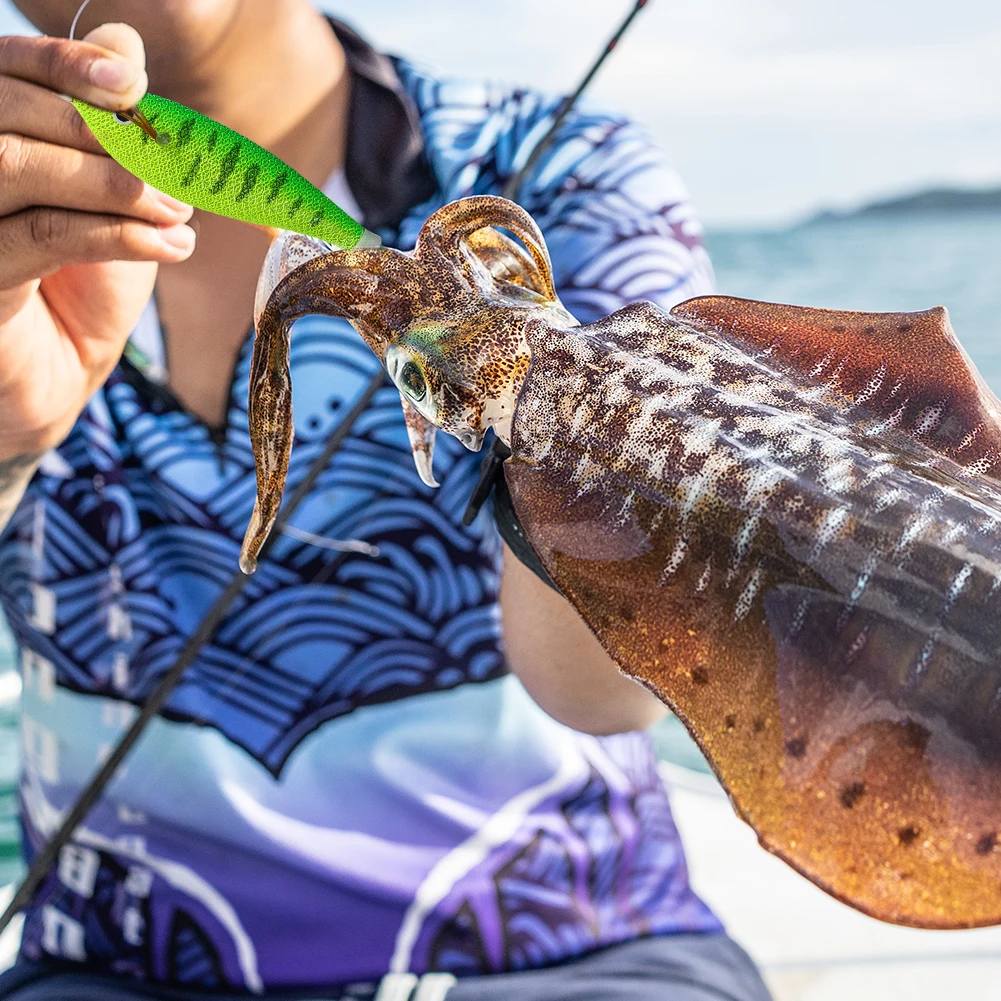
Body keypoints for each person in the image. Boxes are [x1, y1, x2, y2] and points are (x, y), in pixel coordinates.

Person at [0, 2, 772, 999]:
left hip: (576, 948)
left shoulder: (560, 166)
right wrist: (11, 440)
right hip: (112, 965)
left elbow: (614, 692)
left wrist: (548, 394)